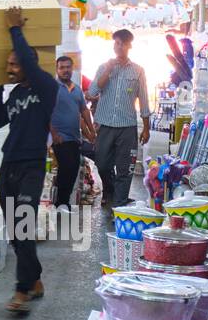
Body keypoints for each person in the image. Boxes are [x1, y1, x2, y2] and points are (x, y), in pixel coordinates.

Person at [0, 7, 58, 315]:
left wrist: (15, 29)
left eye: (15, 63)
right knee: (14, 229)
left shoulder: (47, 87)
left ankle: (22, 290)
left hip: (32, 164)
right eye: (9, 64)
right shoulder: (16, 92)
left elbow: (28, 61)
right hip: (10, 164)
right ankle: (35, 278)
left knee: (23, 224)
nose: (12, 68)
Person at [91, 29, 151, 210]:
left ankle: (120, 203)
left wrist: (146, 127)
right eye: (116, 43)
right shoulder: (104, 67)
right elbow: (93, 91)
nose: (119, 47)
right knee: (102, 164)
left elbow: (144, 99)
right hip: (105, 125)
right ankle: (109, 191)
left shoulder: (138, 70)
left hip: (127, 127)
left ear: (129, 46)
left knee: (125, 168)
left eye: (122, 44)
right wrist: (109, 70)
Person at [50, 54, 96, 210]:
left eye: (68, 67)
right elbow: (46, 112)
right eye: (61, 68)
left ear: (72, 68)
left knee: (73, 169)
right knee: (66, 169)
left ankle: (63, 202)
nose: (65, 70)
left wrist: (91, 132)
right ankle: (61, 203)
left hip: (75, 138)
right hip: (60, 138)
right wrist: (54, 134)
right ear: (56, 70)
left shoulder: (77, 90)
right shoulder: (52, 88)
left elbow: (83, 111)